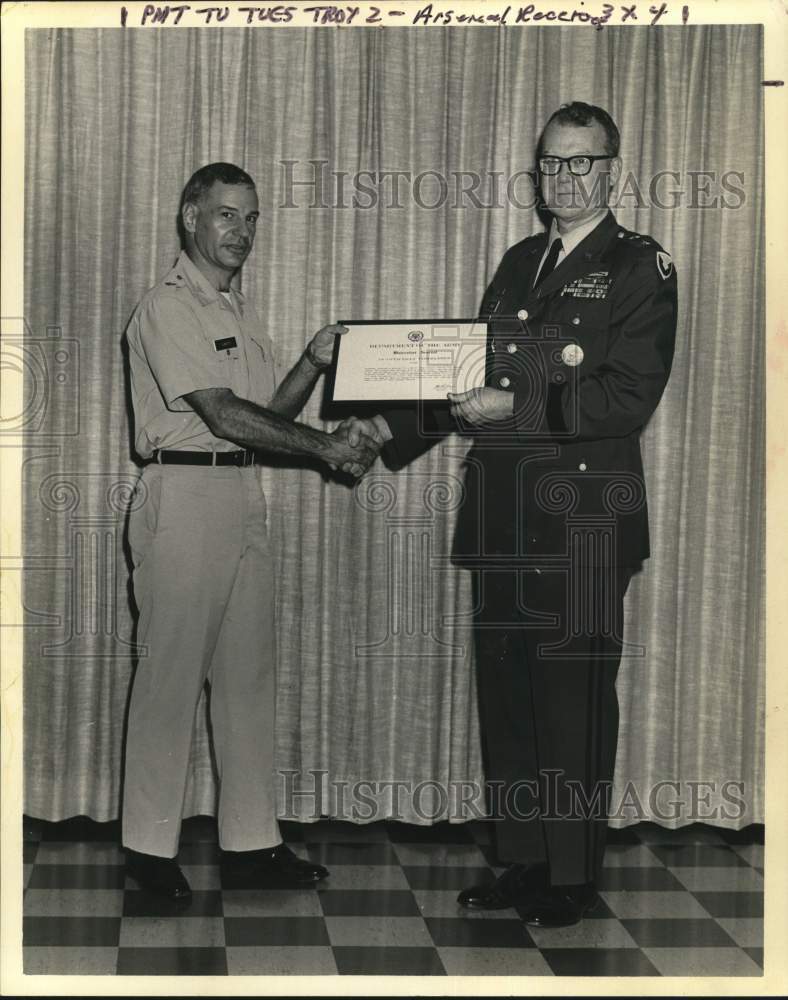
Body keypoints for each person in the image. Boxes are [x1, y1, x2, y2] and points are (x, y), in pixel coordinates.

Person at [352, 103, 677, 926]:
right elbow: (465, 381)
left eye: (581, 163)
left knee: (571, 698)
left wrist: (512, 401)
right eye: (552, 163)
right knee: (509, 698)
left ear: (613, 171)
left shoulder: (640, 266)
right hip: (503, 517)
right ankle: (524, 859)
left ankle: (571, 876)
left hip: (584, 521)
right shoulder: (520, 259)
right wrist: (382, 433)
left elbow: (624, 397)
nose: (564, 178)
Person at [123, 162, 380, 901]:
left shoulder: (238, 309)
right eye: (226, 215)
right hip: (183, 494)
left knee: (247, 678)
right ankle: (146, 850)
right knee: (169, 679)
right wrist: (331, 450)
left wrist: (310, 359)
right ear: (189, 218)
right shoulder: (167, 307)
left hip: (240, 493)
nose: (241, 232)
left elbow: (265, 412)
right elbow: (222, 414)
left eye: (251, 218)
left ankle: (251, 842)